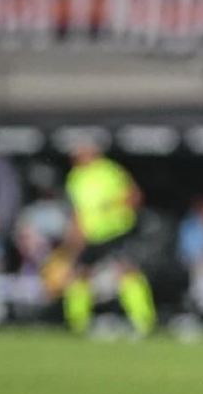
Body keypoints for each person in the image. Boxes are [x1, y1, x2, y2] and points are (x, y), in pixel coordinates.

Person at [63, 141, 156, 337]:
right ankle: (77, 323)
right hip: (92, 236)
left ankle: (143, 321)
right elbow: (78, 212)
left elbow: (134, 196)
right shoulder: (75, 178)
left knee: (127, 273)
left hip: (117, 231)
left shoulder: (111, 171)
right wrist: (73, 241)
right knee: (80, 275)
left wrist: (112, 206)